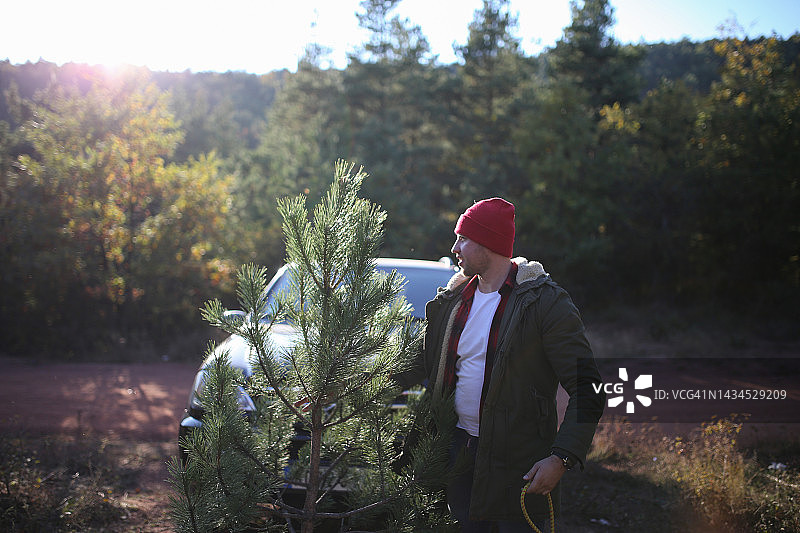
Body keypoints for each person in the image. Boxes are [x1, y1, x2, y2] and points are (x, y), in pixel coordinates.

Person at [398, 198, 605, 532]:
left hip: (519, 464)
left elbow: (588, 388)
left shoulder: (545, 303)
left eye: (462, 238)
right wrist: (349, 387)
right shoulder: (452, 303)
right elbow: (415, 365)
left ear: (488, 244)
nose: (454, 248)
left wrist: (561, 457)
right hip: (457, 452)